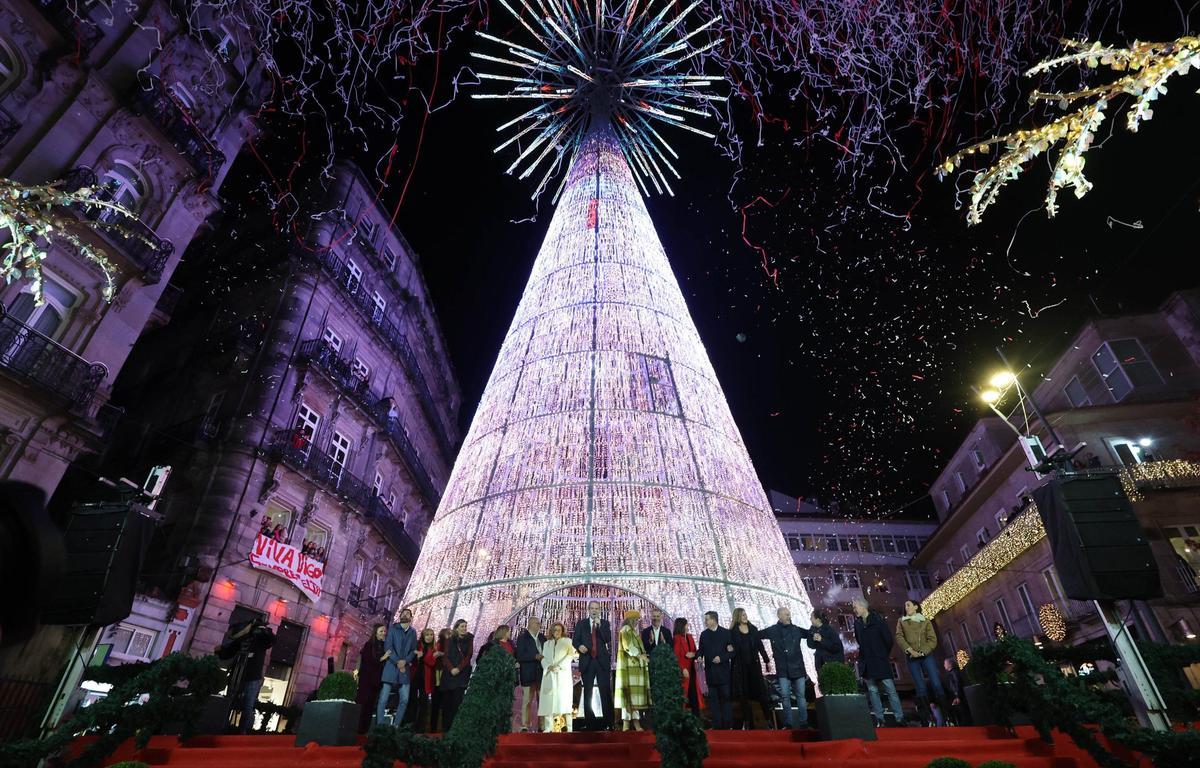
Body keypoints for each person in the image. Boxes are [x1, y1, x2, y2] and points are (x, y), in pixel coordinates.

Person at [852, 596, 903, 727]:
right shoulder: (857, 623)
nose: (854, 609)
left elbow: (888, 639)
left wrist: (882, 653)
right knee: (873, 690)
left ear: (863, 607)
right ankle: (880, 719)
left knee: (890, 689)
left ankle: (900, 718)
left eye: (855, 607)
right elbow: (859, 640)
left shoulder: (878, 619)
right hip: (867, 661)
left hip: (880, 660)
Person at [218, 618, 275, 733]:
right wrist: (220, 651)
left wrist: (264, 630)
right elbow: (229, 651)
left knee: (248, 705)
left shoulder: (260, 639)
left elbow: (271, 640)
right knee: (229, 701)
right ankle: (222, 727)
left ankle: (242, 731)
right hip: (237, 673)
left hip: (252, 676)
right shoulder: (241, 639)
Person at [896, 600, 946, 726]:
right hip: (911, 657)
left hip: (926, 655)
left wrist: (923, 652)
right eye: (905, 605)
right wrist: (910, 650)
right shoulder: (901, 621)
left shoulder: (925, 621)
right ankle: (928, 718)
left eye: (908, 605)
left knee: (936, 683)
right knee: (920, 687)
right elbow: (899, 637)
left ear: (916, 607)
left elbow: (932, 639)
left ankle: (946, 716)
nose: (906, 607)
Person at [761, 606, 810, 729]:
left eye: (789, 614)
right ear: (779, 616)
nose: (789, 616)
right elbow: (756, 635)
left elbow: (810, 633)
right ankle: (788, 723)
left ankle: (804, 722)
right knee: (785, 696)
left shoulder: (796, 629)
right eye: (786, 614)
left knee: (801, 696)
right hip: (783, 669)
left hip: (798, 668)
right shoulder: (773, 630)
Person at [729, 607, 775, 729]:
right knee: (744, 696)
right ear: (738, 617)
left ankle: (768, 720)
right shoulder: (733, 631)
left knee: (762, 693)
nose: (745, 616)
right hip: (741, 668)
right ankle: (747, 722)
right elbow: (730, 647)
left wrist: (766, 660)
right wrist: (729, 649)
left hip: (754, 666)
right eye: (743, 615)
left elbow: (760, 646)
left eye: (745, 614)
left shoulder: (753, 629)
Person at [572, 600, 613, 730]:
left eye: (596, 608)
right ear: (588, 610)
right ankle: (591, 723)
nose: (594, 610)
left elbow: (607, 638)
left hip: (601, 663)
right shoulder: (581, 624)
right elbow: (575, 640)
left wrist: (599, 626)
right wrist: (579, 646)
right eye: (592, 608)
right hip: (587, 662)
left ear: (599, 610)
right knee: (588, 692)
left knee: (605, 692)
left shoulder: (605, 623)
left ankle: (608, 723)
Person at [378, 608, 417, 727]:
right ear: (400, 616)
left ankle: (396, 726)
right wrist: (397, 662)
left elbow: (413, 650)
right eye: (403, 613)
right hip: (391, 667)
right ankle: (379, 727)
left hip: (404, 670)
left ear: (411, 617)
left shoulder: (413, 632)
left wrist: (405, 661)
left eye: (408, 614)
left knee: (404, 699)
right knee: (383, 699)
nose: (405, 615)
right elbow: (388, 647)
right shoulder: (393, 629)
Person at [698, 610, 734, 729]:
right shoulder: (704, 634)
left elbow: (732, 652)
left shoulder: (726, 633)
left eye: (707, 619)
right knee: (713, 701)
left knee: (725, 699)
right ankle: (717, 725)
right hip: (710, 672)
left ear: (714, 620)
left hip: (723, 672)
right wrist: (699, 656)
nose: (705, 621)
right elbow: (701, 650)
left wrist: (722, 658)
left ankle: (727, 725)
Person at [614, 609, 649, 731]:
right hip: (629, 667)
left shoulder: (632, 631)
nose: (637, 622)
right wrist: (640, 656)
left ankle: (632, 723)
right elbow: (628, 647)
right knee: (628, 696)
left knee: (632, 697)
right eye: (636, 619)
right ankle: (627, 724)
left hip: (633, 668)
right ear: (631, 619)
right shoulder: (626, 630)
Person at [539, 621, 576, 732]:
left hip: (562, 675)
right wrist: (548, 666)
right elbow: (543, 658)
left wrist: (560, 666)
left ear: (562, 631)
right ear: (551, 631)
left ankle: (569, 728)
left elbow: (570, 655)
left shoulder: (568, 642)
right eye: (555, 630)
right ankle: (548, 727)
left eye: (559, 630)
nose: (557, 632)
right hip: (549, 674)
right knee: (548, 700)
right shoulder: (547, 643)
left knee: (564, 700)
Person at [440, 619, 474, 729]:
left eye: (465, 626)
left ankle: (455, 729)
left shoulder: (469, 639)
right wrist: (451, 669)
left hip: (461, 675)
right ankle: (446, 728)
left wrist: (458, 668)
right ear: (457, 628)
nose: (464, 628)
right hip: (448, 676)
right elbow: (445, 657)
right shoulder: (449, 640)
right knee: (447, 704)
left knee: (457, 703)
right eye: (462, 626)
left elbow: (468, 656)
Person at [515, 617, 547, 732]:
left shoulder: (542, 637)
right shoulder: (523, 638)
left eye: (539, 623)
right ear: (530, 624)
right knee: (527, 700)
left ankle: (542, 726)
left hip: (541, 674)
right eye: (536, 623)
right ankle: (525, 725)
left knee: (542, 701)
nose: (538, 625)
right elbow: (520, 656)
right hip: (528, 673)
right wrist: (534, 656)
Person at [355, 624, 387, 732]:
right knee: (362, 704)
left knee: (370, 706)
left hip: (376, 680)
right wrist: (383, 658)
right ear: (376, 632)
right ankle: (357, 729)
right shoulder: (369, 645)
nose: (383, 633)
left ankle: (364, 731)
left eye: (384, 631)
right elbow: (369, 660)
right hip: (366, 679)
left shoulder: (384, 646)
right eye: (381, 631)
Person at [407, 627, 440, 732]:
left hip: (425, 680)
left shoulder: (434, 649)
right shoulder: (417, 645)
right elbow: (411, 658)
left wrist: (423, 656)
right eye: (427, 634)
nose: (429, 637)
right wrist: (416, 656)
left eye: (431, 635)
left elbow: (432, 663)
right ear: (423, 636)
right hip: (414, 677)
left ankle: (420, 728)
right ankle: (408, 725)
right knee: (411, 701)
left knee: (424, 702)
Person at [672, 617, 704, 714]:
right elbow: (675, 656)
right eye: (686, 624)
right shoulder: (677, 638)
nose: (688, 626)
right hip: (682, 671)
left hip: (692, 669)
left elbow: (695, 651)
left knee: (693, 693)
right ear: (682, 626)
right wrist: (682, 669)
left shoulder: (690, 637)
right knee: (683, 694)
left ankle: (696, 717)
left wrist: (694, 655)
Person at [428, 628, 451, 731]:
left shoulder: (452, 644)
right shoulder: (438, 644)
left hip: (446, 678)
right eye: (448, 633)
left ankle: (444, 729)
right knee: (436, 705)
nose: (450, 635)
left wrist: (442, 654)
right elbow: (432, 656)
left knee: (445, 706)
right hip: (438, 677)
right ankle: (434, 729)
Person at [942, 658, 971, 726]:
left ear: (950, 664)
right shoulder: (953, 672)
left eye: (945, 663)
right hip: (959, 697)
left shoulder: (954, 672)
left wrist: (958, 697)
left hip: (960, 697)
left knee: (964, 715)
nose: (944, 665)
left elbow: (957, 684)